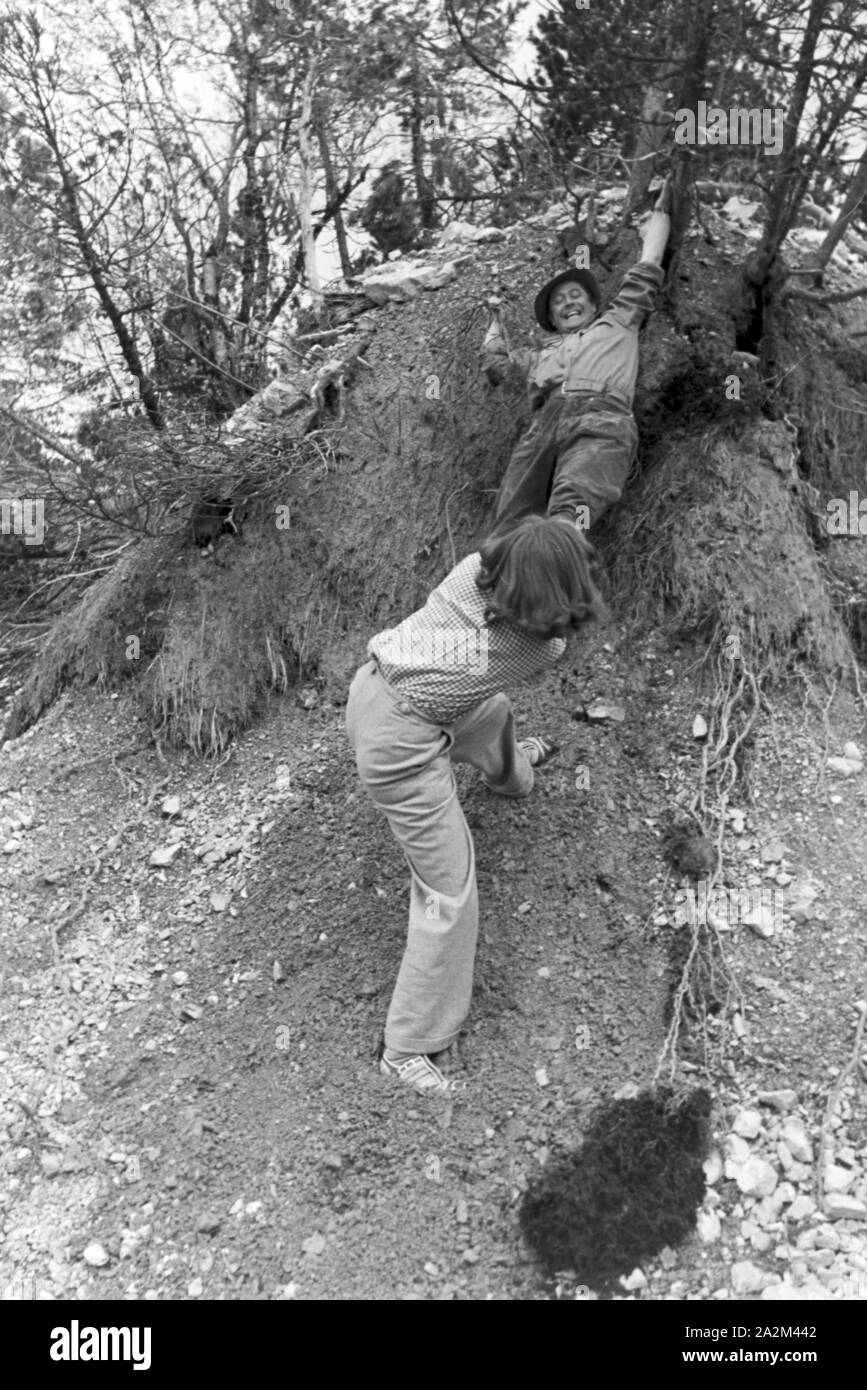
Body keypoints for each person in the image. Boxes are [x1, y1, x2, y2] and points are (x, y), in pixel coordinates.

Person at [345, 514, 607, 1096]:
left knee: (491, 712)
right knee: (448, 894)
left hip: (370, 688)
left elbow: (533, 546)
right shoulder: (541, 649)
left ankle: (512, 776)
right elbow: (556, 620)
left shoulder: (467, 574)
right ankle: (408, 1045)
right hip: (399, 750)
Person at [482, 179, 672, 533]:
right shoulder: (540, 353)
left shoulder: (620, 319)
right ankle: (490, 581)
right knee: (507, 524)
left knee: (571, 517)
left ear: (593, 303)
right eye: (559, 301)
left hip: (602, 422)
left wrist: (664, 205)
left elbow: (649, 263)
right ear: (551, 320)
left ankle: (559, 573)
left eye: (575, 295)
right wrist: (492, 320)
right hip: (543, 427)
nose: (568, 302)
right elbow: (496, 366)